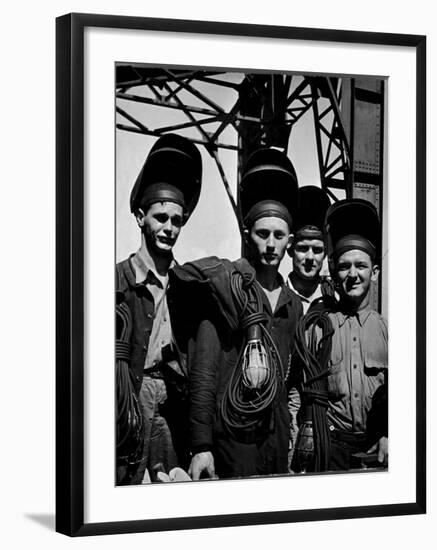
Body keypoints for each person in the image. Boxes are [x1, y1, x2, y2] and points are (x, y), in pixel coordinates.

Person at [171, 148, 302, 480]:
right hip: (233, 439)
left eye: (279, 235)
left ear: (290, 240)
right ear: (248, 236)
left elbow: (292, 380)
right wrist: (202, 446)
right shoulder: (224, 289)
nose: (270, 244)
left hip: (275, 435)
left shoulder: (293, 304)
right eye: (262, 234)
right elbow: (204, 371)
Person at [115, 134, 202, 484]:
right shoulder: (117, 280)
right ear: (140, 217)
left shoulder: (188, 287)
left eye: (176, 221)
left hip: (171, 410)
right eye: (160, 217)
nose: (169, 228)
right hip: (127, 400)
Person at [294, 198, 388, 472]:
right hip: (330, 448)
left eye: (361, 265)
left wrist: (391, 433)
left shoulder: (387, 330)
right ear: (334, 271)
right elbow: (299, 392)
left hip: (376, 449)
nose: (353, 274)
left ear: (375, 271)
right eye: (345, 266)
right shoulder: (318, 327)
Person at [287, 186, 334, 314]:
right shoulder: (275, 295)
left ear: (325, 254)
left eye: (317, 250)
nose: (310, 257)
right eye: (303, 248)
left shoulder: (335, 300)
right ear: (290, 250)